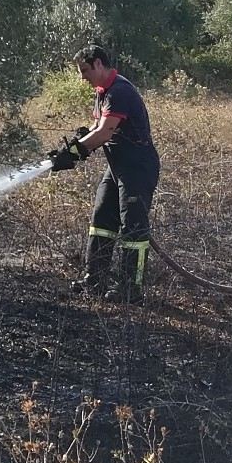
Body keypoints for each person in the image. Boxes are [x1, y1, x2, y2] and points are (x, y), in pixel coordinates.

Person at [48, 44, 160, 303]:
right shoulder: (102, 92)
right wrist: (72, 146)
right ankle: (95, 278)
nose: (82, 76)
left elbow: (105, 133)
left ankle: (131, 289)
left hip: (137, 168)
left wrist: (74, 154)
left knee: (133, 228)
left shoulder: (120, 91)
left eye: (85, 70)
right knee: (102, 219)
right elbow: (98, 127)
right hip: (118, 167)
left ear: (99, 64)